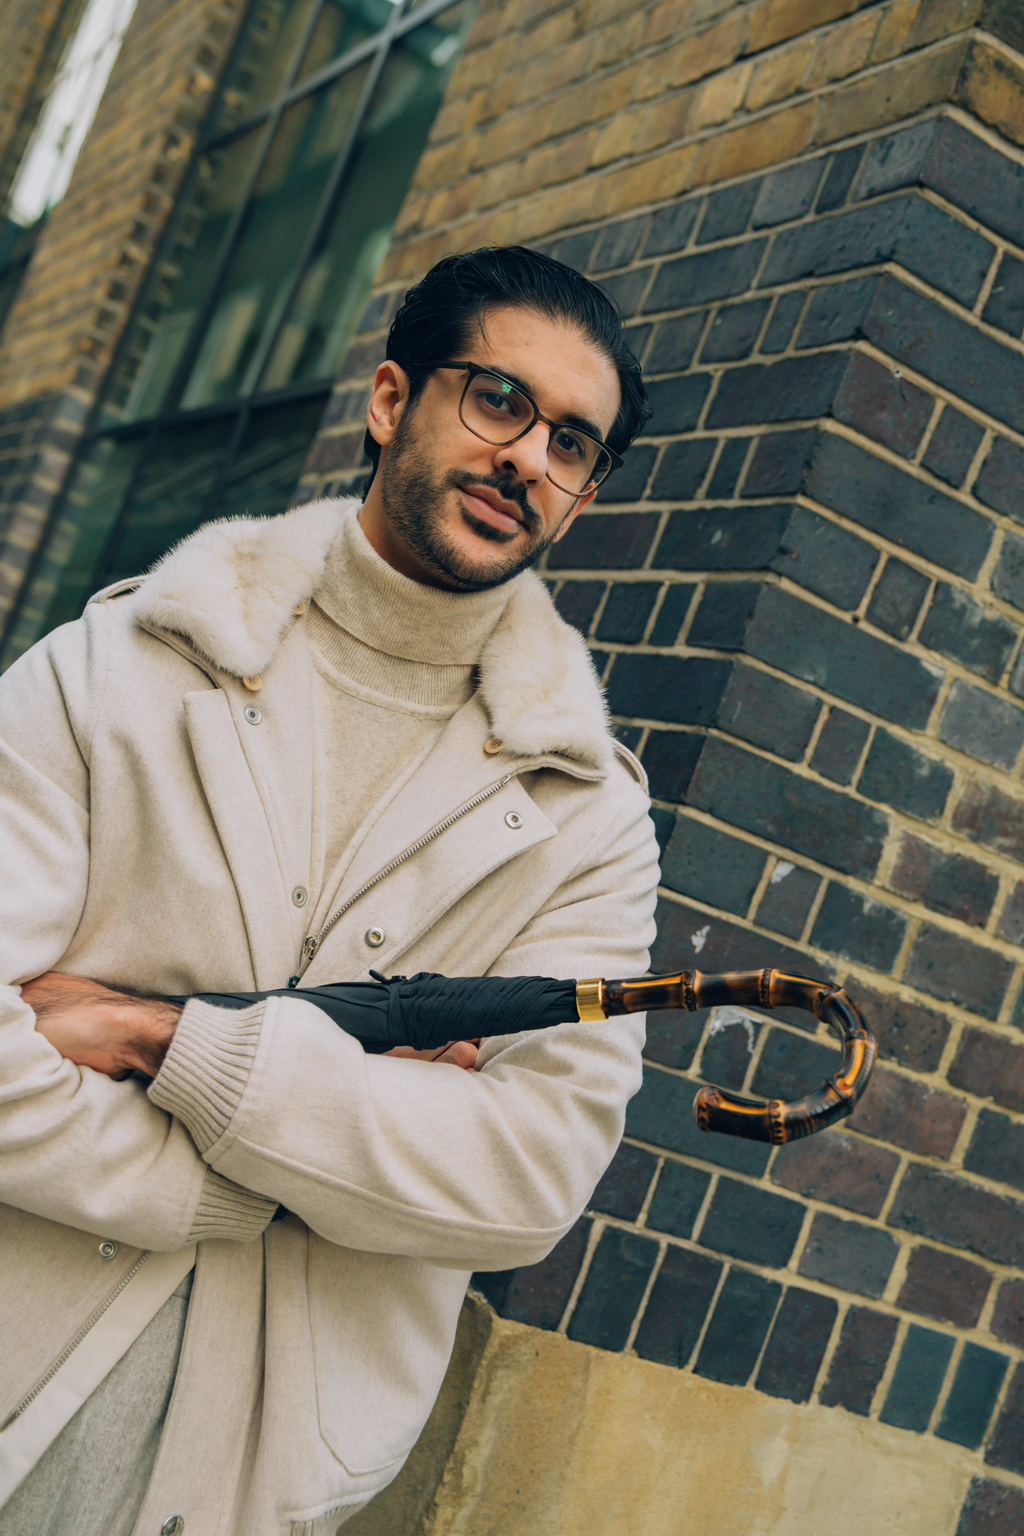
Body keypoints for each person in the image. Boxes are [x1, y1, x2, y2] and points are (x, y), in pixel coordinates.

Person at [0, 246, 658, 1536]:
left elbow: (527, 1182)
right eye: (499, 401)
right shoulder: (113, 671)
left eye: (576, 443)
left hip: (254, 1473)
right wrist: (276, 1178)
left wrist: (162, 1041)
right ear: (389, 401)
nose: (531, 457)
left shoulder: (591, 816)